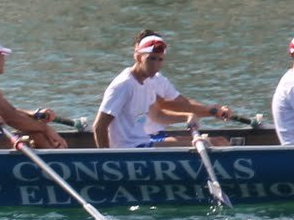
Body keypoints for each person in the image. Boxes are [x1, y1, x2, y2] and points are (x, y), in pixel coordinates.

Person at [93, 34, 237, 148]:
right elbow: (99, 126)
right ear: (138, 57)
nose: (155, 65)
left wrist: (186, 116)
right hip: (129, 150)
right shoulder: (123, 84)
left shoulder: (148, 82)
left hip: (143, 142)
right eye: (151, 59)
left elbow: (158, 115)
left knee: (220, 142)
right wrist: (107, 159)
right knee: (215, 143)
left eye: (160, 60)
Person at [0, 39, 67, 149]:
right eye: (3, 57)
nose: (4, 61)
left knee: (35, 129)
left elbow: (9, 110)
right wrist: (46, 129)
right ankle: (57, 157)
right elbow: (10, 118)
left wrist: (34, 113)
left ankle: (53, 153)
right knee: (36, 129)